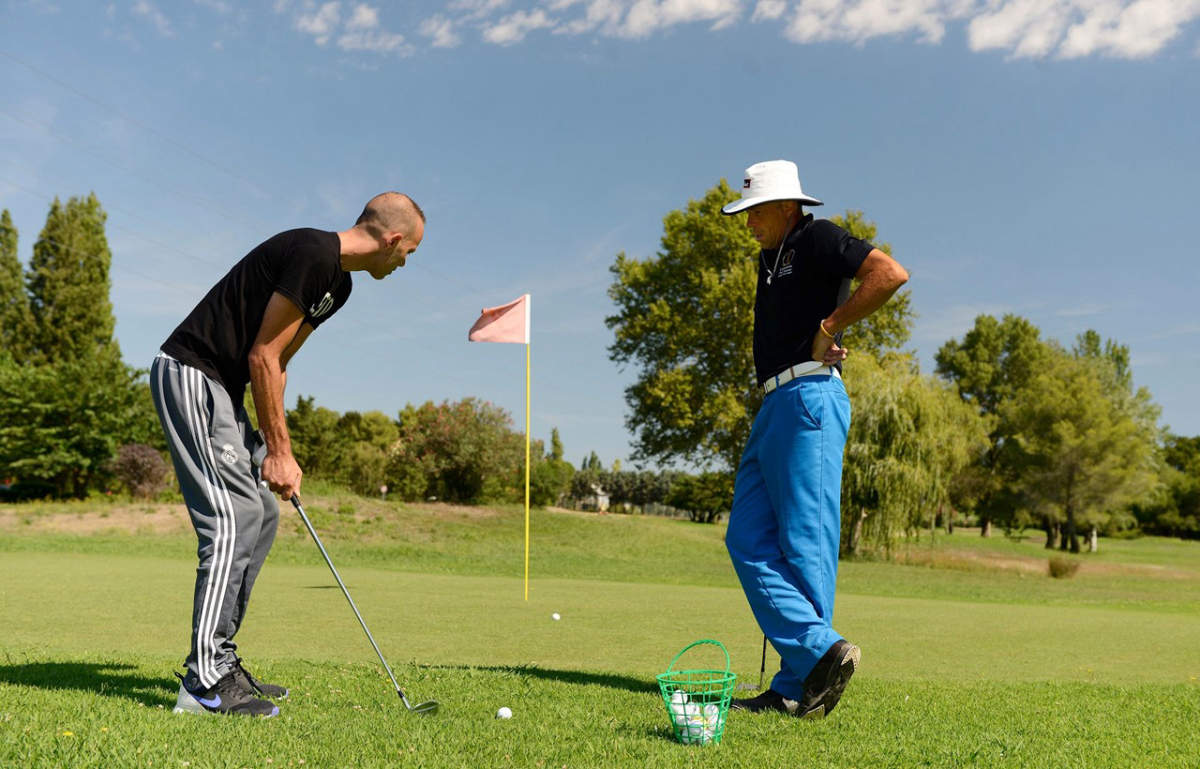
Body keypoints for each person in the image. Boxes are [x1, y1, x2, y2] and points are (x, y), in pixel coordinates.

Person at [150, 192, 425, 717]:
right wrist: (278, 451)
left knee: (266, 513)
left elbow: (276, 362)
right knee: (232, 518)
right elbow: (262, 354)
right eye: (408, 252)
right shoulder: (313, 254)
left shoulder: (337, 285)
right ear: (392, 240)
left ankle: (222, 661)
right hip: (190, 373)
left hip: (225, 390)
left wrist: (276, 450)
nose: (404, 263)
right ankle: (203, 681)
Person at [721, 160, 908, 719]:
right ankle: (815, 656)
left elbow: (890, 274)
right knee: (747, 538)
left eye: (754, 210)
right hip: (774, 403)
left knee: (806, 545)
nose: (748, 222)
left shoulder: (820, 236)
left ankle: (795, 685)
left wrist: (831, 327)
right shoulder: (768, 257)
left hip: (810, 400)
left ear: (785, 205)